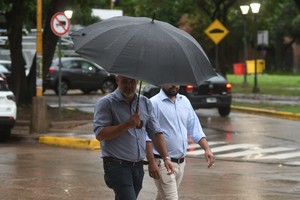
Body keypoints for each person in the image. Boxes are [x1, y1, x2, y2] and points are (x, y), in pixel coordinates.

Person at [93, 75, 175, 200]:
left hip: (137, 166)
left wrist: (166, 157)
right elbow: (100, 134)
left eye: (132, 81)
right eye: (125, 81)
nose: (129, 85)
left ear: (137, 81)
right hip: (117, 165)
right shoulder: (106, 103)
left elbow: (155, 132)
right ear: (117, 80)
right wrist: (127, 124)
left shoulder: (145, 103)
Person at [146, 85, 215, 200]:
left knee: (163, 196)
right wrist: (151, 162)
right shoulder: (153, 103)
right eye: (170, 80)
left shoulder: (184, 101)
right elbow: (146, 135)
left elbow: (194, 127)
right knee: (171, 197)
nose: (174, 84)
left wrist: (207, 148)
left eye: (176, 81)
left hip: (181, 162)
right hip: (162, 162)